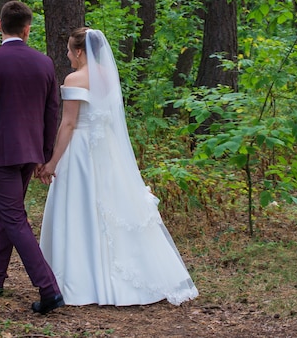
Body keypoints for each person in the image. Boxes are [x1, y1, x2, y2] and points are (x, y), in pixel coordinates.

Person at [37, 27, 199, 307]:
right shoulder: (108, 75)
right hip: (107, 151)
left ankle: (83, 279)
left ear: (79, 51)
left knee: (81, 208)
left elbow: (69, 123)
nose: (67, 55)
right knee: (111, 208)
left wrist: (52, 162)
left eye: (68, 50)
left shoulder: (75, 77)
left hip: (81, 151)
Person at [0, 0, 65, 315]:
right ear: (27, 29)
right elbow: (52, 113)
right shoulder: (45, 63)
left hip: (3, 154)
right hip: (29, 153)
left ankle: (49, 289)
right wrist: (44, 156)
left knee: (14, 218)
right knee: (8, 216)